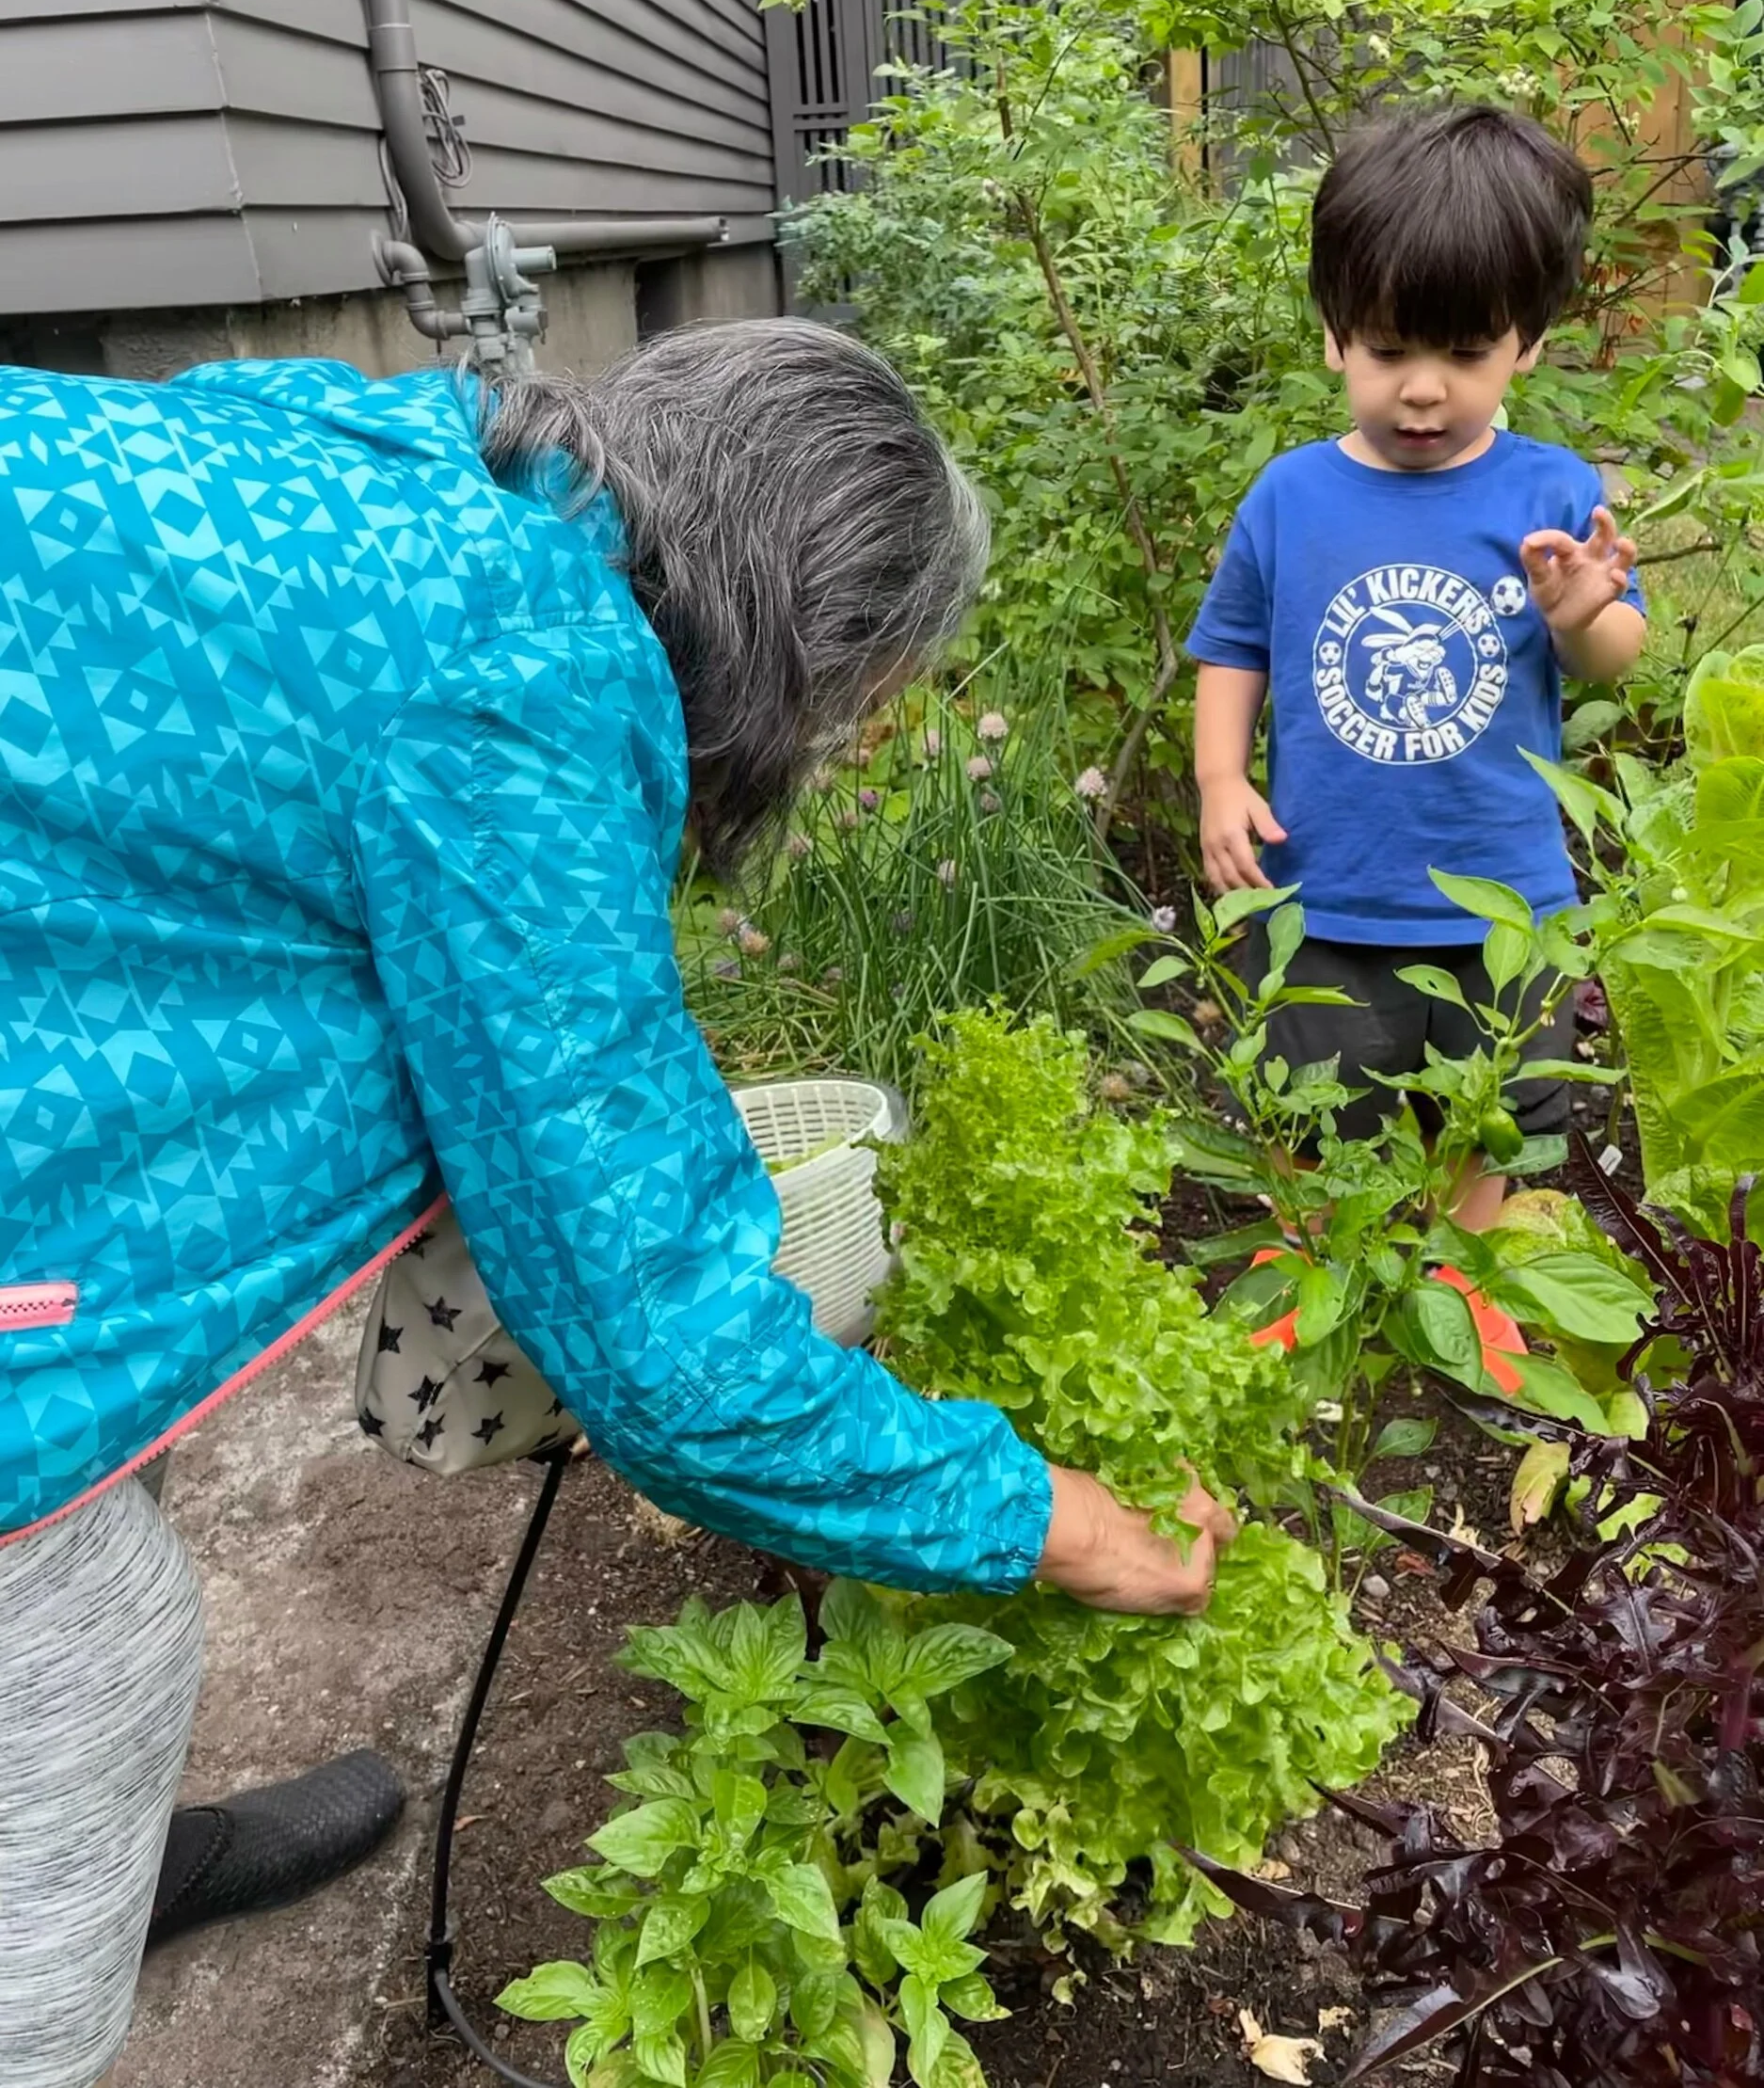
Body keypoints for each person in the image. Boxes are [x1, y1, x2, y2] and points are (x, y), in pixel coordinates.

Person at [0, 317, 1234, 2088]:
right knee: (81, 1623)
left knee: (112, 1408)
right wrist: (1051, 1519)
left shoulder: (415, 461)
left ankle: (114, 1859)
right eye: (850, 705)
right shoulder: (519, 676)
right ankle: (42, 1950)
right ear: (794, 628)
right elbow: (665, 1344)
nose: (838, 747)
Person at [1186, 105, 1647, 1239]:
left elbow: (1613, 660)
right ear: (1337, 333)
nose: (1425, 389)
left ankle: (1463, 1266)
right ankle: (1323, 1266)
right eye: (1391, 350)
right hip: (1327, 888)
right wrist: (1218, 781)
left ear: (1527, 343)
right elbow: (1231, 645)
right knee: (1310, 1095)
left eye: (1466, 353)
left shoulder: (1548, 494)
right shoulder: (1292, 497)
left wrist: (1584, 614)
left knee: (1489, 1106)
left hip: (1501, 892)